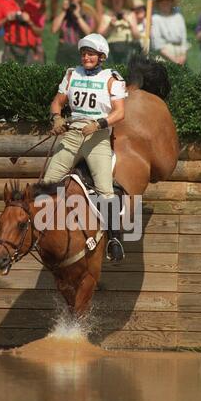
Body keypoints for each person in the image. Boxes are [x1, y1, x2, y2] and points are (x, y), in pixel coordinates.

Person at [43, 33, 126, 261]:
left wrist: (99, 123)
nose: (86, 57)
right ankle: (41, 230)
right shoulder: (71, 74)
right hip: (72, 135)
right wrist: (57, 119)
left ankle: (115, 239)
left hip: (97, 138)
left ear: (101, 57)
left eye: (90, 54)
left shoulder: (112, 78)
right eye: (83, 53)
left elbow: (120, 112)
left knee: (104, 189)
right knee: (48, 183)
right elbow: (57, 102)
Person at [52, 0, 96, 66]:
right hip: (64, 50)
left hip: (79, 51)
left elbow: (89, 32)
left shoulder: (86, 15)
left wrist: (78, 15)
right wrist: (64, 11)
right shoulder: (64, 15)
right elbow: (54, 29)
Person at [98, 0, 140, 64]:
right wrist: (110, 26)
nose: (117, 0)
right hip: (111, 48)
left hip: (128, 46)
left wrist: (130, 23)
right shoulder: (106, 16)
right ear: (111, 0)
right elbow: (99, 36)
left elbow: (136, 36)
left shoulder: (130, 14)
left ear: (123, 0)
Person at [151, 0, 188, 65]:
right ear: (158, 3)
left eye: (168, 0)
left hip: (181, 55)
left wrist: (183, 56)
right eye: (161, 0)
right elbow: (157, 44)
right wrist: (174, 60)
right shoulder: (155, 19)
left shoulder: (179, 17)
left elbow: (184, 39)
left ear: (172, 2)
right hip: (163, 58)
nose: (165, 2)